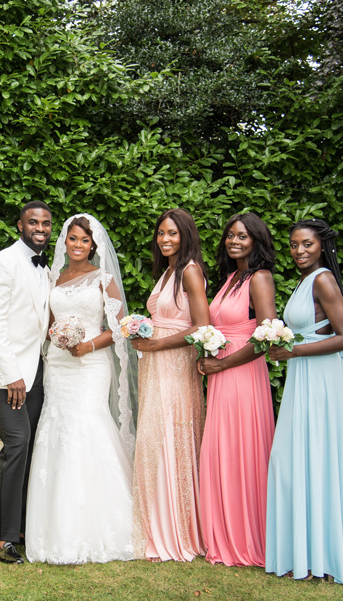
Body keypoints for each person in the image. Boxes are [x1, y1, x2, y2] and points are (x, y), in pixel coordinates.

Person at [25, 214, 138, 564]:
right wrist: (55, 335)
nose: (77, 245)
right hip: (58, 366)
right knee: (56, 431)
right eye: (72, 239)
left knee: (86, 428)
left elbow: (122, 327)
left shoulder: (103, 280)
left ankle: (103, 525)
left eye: (84, 240)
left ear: (94, 245)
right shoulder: (53, 277)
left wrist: (87, 345)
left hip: (91, 365)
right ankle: (55, 527)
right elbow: (47, 322)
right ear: (65, 241)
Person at [265, 219, 343, 585]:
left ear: (321, 246)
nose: (299, 251)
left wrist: (294, 351)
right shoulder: (307, 281)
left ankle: (323, 555)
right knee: (291, 459)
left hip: (321, 379)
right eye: (293, 245)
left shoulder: (322, 279)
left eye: (306, 244)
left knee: (314, 458)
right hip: (302, 377)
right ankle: (303, 552)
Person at [0, 201, 53, 564]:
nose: (40, 228)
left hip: (35, 372)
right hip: (6, 375)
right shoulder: (2, 262)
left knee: (32, 446)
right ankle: (2, 537)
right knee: (17, 444)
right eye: (33, 222)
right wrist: (12, 376)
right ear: (19, 225)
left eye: (46, 223)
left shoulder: (46, 267)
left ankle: (21, 527)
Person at [131, 208, 211, 562]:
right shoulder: (168, 271)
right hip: (155, 364)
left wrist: (157, 344)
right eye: (161, 233)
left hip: (175, 366)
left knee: (168, 437)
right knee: (153, 438)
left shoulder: (190, 272)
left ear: (186, 235)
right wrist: (142, 329)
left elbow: (201, 327)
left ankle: (175, 530)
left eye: (173, 233)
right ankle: (155, 522)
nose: (165, 239)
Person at [198, 212, 277, 567]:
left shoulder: (260, 278)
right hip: (220, 374)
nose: (234, 241)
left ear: (256, 240)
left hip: (243, 375)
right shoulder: (230, 277)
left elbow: (266, 338)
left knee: (241, 449)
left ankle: (247, 535)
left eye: (242, 236)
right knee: (221, 449)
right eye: (230, 235)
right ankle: (222, 532)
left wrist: (224, 363)